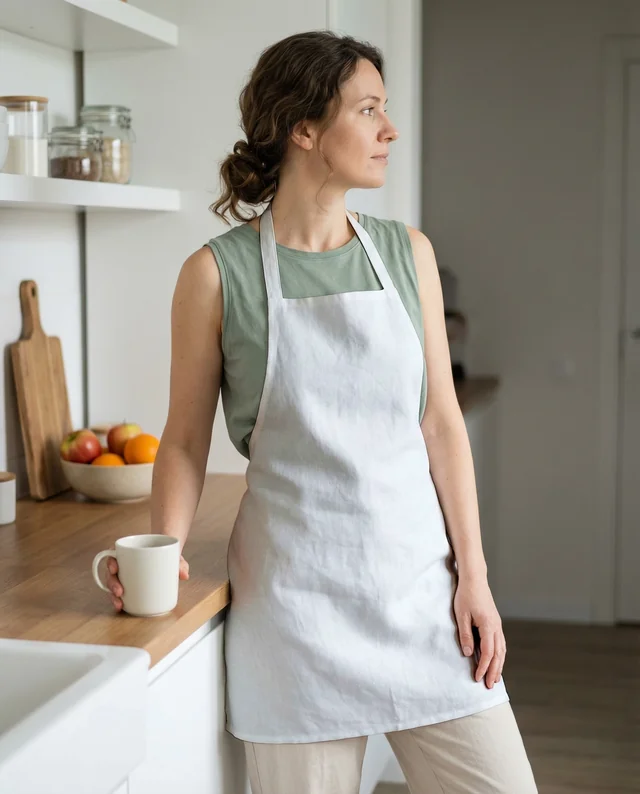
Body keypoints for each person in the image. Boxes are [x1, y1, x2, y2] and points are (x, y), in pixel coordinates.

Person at [104, 30, 538, 794]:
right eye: (367, 110)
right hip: (295, 617)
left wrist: (475, 575)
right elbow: (180, 442)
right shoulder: (214, 275)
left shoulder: (409, 254)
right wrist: (163, 547)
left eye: (385, 110)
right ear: (303, 129)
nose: (388, 130)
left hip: (423, 602)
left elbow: (441, 423)